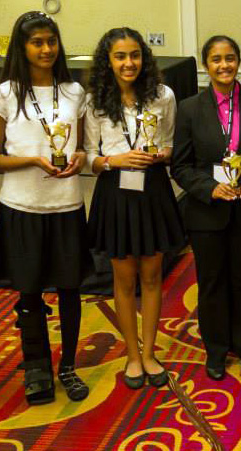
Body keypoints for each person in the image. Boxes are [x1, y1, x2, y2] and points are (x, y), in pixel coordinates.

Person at [0, 11, 91, 404]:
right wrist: (32, 160)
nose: (46, 49)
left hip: (66, 205)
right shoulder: (5, 94)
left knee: (69, 291)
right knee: (28, 292)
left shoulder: (74, 92)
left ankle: (68, 367)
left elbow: (78, 148)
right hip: (22, 207)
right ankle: (37, 368)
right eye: (37, 42)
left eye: (51, 41)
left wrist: (78, 158)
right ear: (22, 47)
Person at [172, 36, 241, 380]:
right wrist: (209, 188)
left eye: (230, 58)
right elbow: (181, 165)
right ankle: (216, 350)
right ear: (207, 65)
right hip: (208, 212)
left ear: (239, 61)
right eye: (217, 59)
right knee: (211, 282)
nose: (224, 65)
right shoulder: (190, 108)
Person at [84, 27, 183, 389]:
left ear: (144, 57)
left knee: (153, 275)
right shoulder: (94, 100)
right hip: (116, 191)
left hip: (153, 187)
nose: (129, 63)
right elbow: (87, 159)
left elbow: (172, 145)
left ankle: (151, 351)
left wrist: (159, 154)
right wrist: (115, 159)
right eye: (120, 57)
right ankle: (131, 355)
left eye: (135, 55)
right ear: (107, 61)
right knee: (124, 279)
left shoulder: (163, 95)